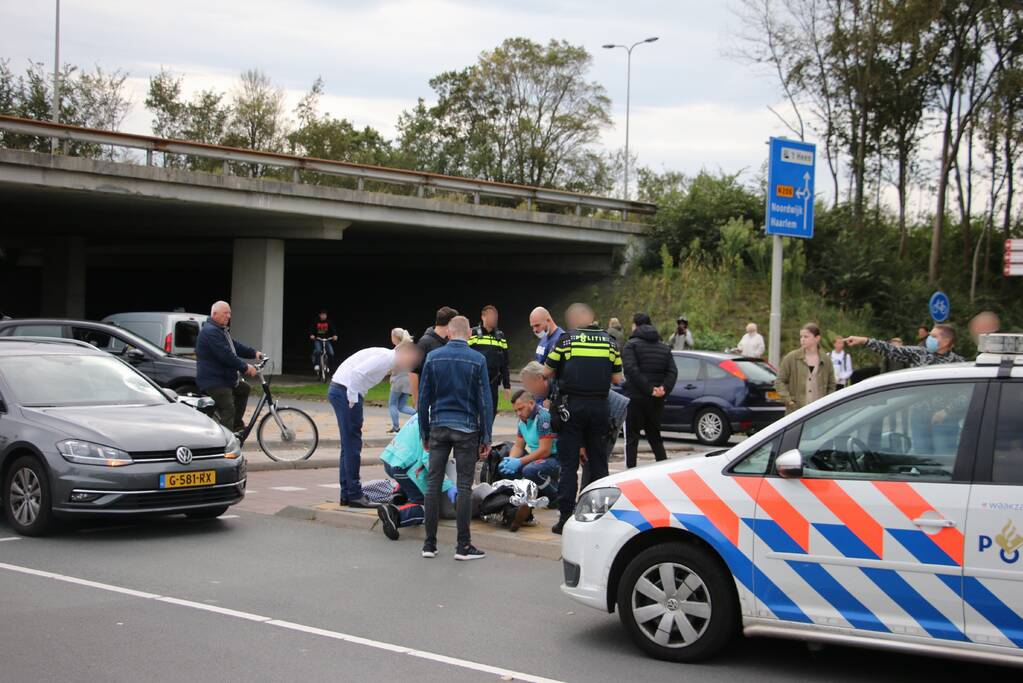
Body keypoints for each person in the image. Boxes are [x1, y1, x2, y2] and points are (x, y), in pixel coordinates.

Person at [418, 315, 494, 561]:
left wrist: (424, 431)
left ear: (449, 333)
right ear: (470, 334)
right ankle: (463, 546)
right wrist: (487, 436)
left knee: (432, 484)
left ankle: (429, 544)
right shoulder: (478, 359)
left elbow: (423, 398)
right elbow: (485, 401)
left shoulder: (432, 357)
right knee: (463, 486)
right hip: (467, 428)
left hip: (438, 425)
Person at [544, 303, 623, 535]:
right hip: (600, 407)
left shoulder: (567, 340)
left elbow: (546, 372)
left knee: (568, 465)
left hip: (572, 407)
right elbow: (618, 379)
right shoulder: (610, 342)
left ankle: (565, 518)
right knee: (599, 462)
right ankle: (600, 515)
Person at [330, 341, 419, 508]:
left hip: (343, 390)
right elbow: (357, 372)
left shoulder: (386, 358)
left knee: (348, 445)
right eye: (410, 360)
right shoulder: (385, 357)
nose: (409, 365)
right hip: (346, 391)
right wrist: (352, 399)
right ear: (404, 353)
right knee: (353, 445)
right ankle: (355, 495)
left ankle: (347, 494)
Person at [377, 415, 456, 541]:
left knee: (411, 484)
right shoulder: (441, 422)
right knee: (428, 507)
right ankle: (396, 516)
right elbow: (430, 460)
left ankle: (400, 494)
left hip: (392, 459)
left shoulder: (427, 410)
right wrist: (448, 486)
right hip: (406, 468)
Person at [195, 301, 262, 432]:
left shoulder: (221, 331)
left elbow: (235, 346)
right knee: (228, 409)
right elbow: (225, 355)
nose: (229, 316)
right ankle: (227, 441)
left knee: (244, 389)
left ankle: (236, 425)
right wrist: (245, 367)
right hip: (214, 381)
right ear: (214, 314)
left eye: (229, 313)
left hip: (224, 378)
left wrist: (254, 353)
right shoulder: (210, 332)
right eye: (225, 313)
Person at [622, 313, 677, 468]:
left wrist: (648, 389)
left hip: (636, 398)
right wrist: (663, 389)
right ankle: (663, 468)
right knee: (655, 436)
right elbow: (672, 372)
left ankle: (630, 471)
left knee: (632, 438)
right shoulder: (664, 347)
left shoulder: (631, 345)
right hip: (657, 400)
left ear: (635, 326)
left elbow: (631, 370)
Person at [498, 390, 560, 507]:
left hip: (554, 458)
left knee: (530, 470)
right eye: (516, 410)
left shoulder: (543, 418)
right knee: (502, 468)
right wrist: (510, 460)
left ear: (531, 403)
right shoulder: (522, 420)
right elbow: (518, 446)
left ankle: (556, 497)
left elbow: (545, 450)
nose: (518, 413)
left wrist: (520, 461)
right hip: (538, 457)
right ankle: (531, 494)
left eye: (521, 409)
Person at [775, 323, 837, 414]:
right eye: (801, 337)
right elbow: (779, 381)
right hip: (796, 411)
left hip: (819, 412)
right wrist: (789, 400)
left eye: (806, 337)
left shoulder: (826, 359)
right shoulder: (791, 357)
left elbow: (831, 384)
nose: (802, 339)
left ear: (817, 338)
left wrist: (826, 403)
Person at [845, 324, 965, 367]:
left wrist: (946, 411)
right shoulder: (920, 353)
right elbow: (891, 350)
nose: (929, 339)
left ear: (945, 342)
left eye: (933, 336)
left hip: (946, 419)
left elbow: (964, 392)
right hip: (918, 415)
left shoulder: (958, 363)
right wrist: (864, 340)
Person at [409, 306, 457, 408]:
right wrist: (416, 400)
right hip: (429, 400)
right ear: (450, 323)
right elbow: (413, 372)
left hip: (446, 399)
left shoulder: (449, 341)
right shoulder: (424, 343)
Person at [469, 305, 511, 418]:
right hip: (475, 383)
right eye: (492, 316)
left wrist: (507, 385)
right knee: (474, 413)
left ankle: (487, 435)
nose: (494, 319)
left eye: (495, 317)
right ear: (483, 317)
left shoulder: (500, 336)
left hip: (493, 383)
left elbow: (505, 363)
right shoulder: (472, 334)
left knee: (491, 413)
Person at [387, 328, 416, 433]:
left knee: (392, 404)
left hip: (398, 380)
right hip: (408, 381)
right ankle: (419, 414)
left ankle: (396, 427)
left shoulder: (398, 350)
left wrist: (389, 370)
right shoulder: (410, 348)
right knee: (402, 406)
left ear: (396, 337)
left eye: (392, 336)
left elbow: (395, 365)